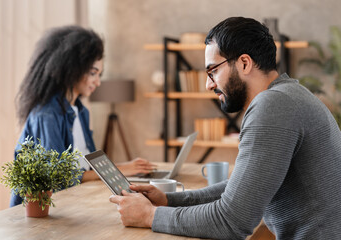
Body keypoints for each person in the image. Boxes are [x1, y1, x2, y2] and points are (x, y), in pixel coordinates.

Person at [109, 17, 341, 239]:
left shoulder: (272, 105)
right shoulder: (290, 95)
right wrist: (169, 201)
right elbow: (244, 185)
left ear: (244, 63)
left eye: (213, 71)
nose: (209, 84)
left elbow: (232, 221)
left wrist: (150, 215)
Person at [10, 25, 155, 207]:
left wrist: (124, 168)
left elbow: (88, 167)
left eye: (99, 74)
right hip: (46, 214)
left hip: (76, 202)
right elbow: (58, 180)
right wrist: (120, 169)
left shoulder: (81, 112)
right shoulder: (46, 115)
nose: (98, 82)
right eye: (93, 73)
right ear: (71, 69)